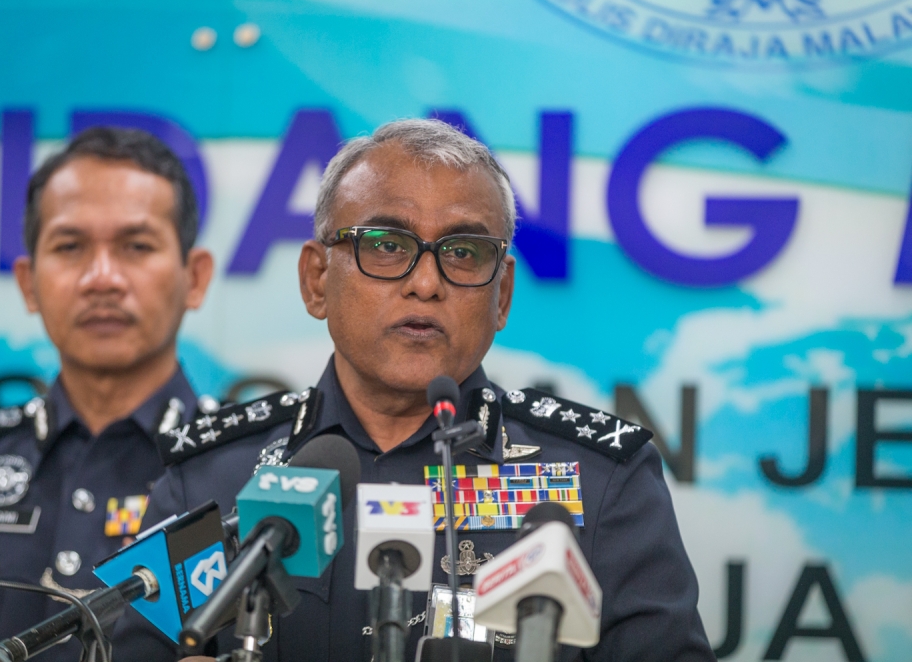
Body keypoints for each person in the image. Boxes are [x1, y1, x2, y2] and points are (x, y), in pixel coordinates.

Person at [115, 119, 715, 661]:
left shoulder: (602, 481)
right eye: (386, 245)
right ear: (317, 279)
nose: (426, 283)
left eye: (463, 252)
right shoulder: (209, 478)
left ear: (501, 295)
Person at [0, 127, 215, 661]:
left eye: (136, 246)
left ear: (194, 278)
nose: (102, 278)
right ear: (28, 283)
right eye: (70, 246)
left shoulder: (243, 470)